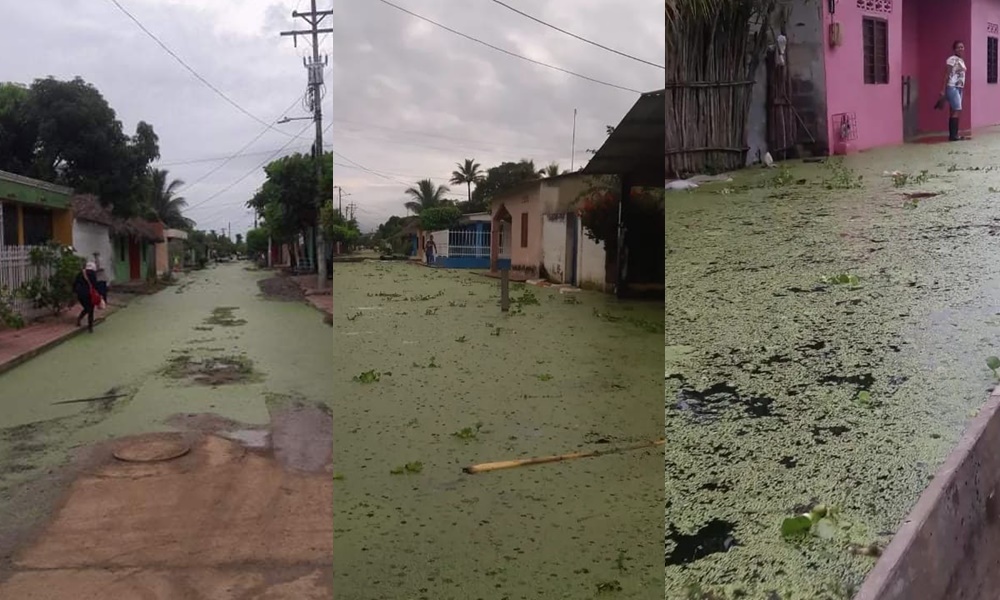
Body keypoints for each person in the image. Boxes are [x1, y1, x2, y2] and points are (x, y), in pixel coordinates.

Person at [941, 40, 967, 141]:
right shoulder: (952, 59)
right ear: (954, 49)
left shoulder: (961, 60)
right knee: (957, 109)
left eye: (962, 47)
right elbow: (947, 74)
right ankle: (954, 135)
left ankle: (953, 134)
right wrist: (943, 89)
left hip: (959, 87)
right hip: (952, 86)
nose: (960, 49)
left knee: (953, 110)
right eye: (958, 47)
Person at [73, 261, 99, 333]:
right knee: (90, 310)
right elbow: (95, 285)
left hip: (80, 294)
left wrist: (75, 292)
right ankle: (90, 327)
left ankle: (79, 319)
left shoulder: (80, 273)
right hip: (89, 294)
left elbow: (74, 283)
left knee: (87, 308)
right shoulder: (93, 274)